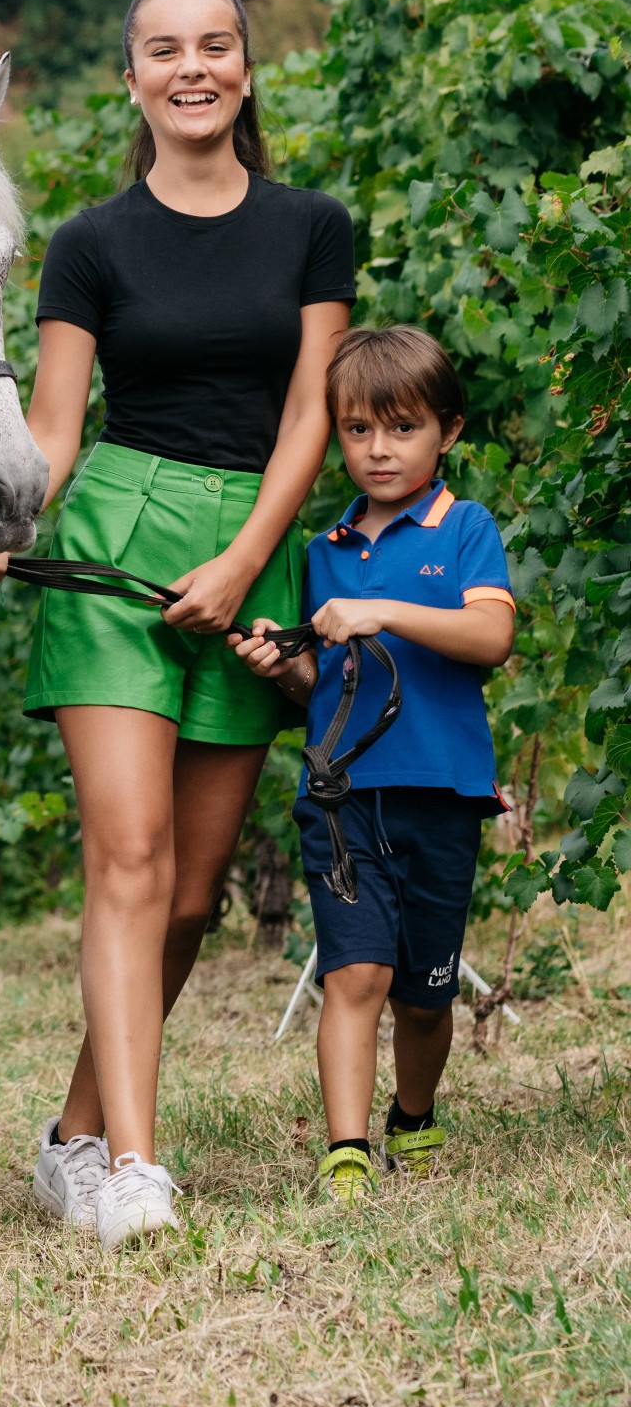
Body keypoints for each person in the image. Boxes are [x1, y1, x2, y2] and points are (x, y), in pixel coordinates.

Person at [0, 0, 354, 1250]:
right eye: (164, 51)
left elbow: (311, 414)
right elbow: (56, 430)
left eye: (215, 46)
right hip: (121, 546)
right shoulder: (92, 244)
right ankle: (132, 1166)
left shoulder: (311, 225)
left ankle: (70, 1135)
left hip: (249, 554)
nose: (193, 68)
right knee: (128, 861)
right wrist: (0, 524)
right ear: (133, 79)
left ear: (245, 68)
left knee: (188, 894)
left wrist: (244, 561)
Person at [234, 327, 514, 1202]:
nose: (380, 449)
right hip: (344, 797)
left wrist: (382, 609)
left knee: (424, 995)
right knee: (354, 971)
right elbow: (329, 681)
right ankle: (346, 1148)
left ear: (448, 432)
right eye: (358, 431)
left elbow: (491, 635)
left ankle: (415, 1114)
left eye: (402, 428)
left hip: (442, 793)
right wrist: (289, 671)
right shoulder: (322, 552)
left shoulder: (464, 528)